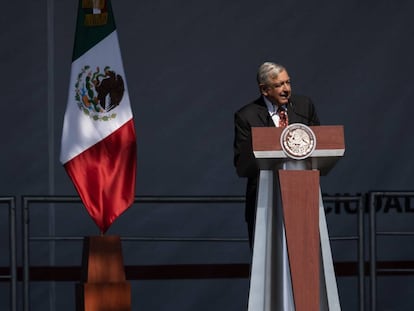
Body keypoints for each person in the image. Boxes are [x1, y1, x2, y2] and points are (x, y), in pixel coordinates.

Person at [233, 62, 320, 248]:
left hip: (302, 196)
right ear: (264, 89)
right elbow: (241, 164)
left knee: (304, 258)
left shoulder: (304, 107)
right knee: (266, 264)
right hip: (264, 201)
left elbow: (320, 144)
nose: (286, 89)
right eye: (279, 85)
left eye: (288, 82)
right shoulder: (246, 116)